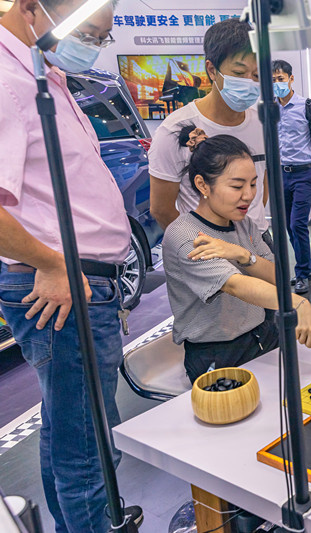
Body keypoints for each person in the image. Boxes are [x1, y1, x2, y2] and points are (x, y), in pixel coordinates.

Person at [0, 0, 143, 531]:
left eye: (102, 37)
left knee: (68, 431)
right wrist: (50, 262)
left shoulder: (44, 74)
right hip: (62, 283)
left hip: (83, 280)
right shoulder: (6, 80)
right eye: (87, 30)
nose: (92, 45)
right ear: (33, 8)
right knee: (87, 446)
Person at [163, 127, 311, 383]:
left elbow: (276, 276)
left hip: (263, 335)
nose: (249, 195)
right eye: (237, 186)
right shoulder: (186, 235)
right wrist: (296, 302)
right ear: (202, 184)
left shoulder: (244, 224)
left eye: (253, 184)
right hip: (218, 353)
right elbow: (236, 285)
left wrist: (242, 255)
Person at [149, 18, 270, 238]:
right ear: (212, 70)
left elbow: (262, 188)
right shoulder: (176, 130)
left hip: (257, 241)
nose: (250, 82)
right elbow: (161, 208)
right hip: (205, 249)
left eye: (257, 75)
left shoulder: (264, 125)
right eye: (239, 73)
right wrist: (197, 244)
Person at [273, 59, 311, 295]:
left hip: (304, 173)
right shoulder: (269, 109)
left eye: (280, 79)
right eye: (273, 80)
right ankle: (308, 266)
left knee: (298, 223)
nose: (277, 84)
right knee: (288, 227)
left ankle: (302, 273)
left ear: (291, 79)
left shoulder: (307, 106)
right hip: (280, 174)